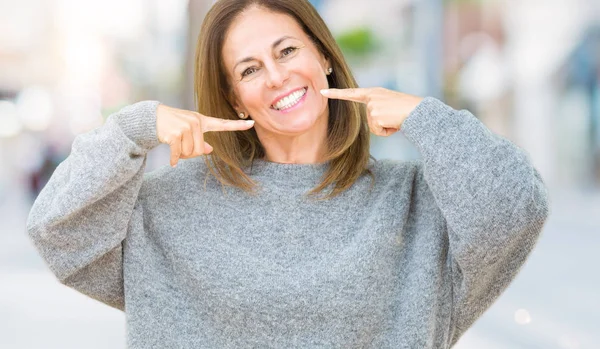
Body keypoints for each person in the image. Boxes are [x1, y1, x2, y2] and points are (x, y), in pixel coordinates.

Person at [26, 0, 549, 348]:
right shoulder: (168, 207)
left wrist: (425, 117)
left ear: (323, 56)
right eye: (250, 69)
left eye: (288, 50)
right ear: (234, 95)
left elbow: (517, 208)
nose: (276, 76)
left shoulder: (414, 206)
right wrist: (131, 130)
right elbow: (59, 233)